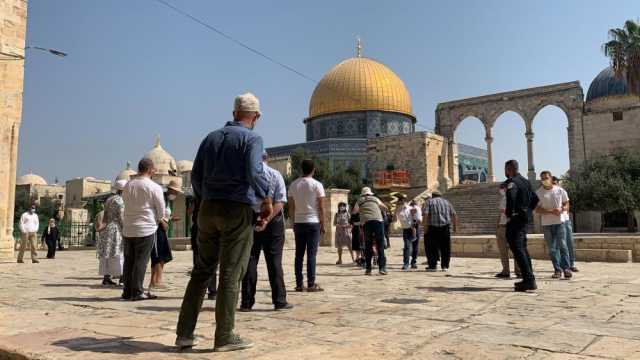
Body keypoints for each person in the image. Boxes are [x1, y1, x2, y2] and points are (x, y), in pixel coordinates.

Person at [176, 93, 272, 352]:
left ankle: (184, 333)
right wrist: (266, 197)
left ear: (233, 113)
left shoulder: (211, 137)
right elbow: (254, 173)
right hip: (236, 208)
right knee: (231, 272)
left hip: (207, 208)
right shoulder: (252, 138)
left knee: (201, 271)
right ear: (256, 116)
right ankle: (225, 335)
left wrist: (204, 200)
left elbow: (196, 177)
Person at [240, 151, 292, 312]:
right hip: (273, 221)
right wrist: (266, 220)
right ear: (266, 159)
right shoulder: (275, 175)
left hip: (250, 220)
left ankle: (247, 302)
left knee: (249, 261)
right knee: (274, 261)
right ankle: (279, 301)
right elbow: (280, 202)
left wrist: (256, 219)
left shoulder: (245, 175)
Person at [122, 158, 165, 301]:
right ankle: (138, 291)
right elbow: (161, 209)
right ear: (150, 169)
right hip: (146, 228)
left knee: (129, 261)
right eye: (154, 169)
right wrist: (159, 220)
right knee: (141, 260)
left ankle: (127, 291)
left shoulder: (128, 185)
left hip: (128, 228)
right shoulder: (154, 187)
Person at [288, 159, 326, 292]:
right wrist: (323, 223)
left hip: (299, 222)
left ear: (301, 169)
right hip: (313, 221)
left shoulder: (293, 185)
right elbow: (321, 207)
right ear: (313, 169)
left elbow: (291, 207)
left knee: (298, 255)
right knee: (311, 254)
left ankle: (299, 284)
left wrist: (293, 222)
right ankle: (311, 283)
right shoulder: (317, 185)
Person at [504, 160, 538, 292]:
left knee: (517, 249)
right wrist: (528, 212)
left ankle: (529, 280)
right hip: (524, 219)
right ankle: (529, 278)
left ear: (509, 169)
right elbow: (535, 199)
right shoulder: (526, 182)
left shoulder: (513, 183)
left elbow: (511, 198)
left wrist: (510, 214)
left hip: (516, 220)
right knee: (523, 248)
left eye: (506, 169)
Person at [535, 171, 572, 279]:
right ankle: (557, 270)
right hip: (547, 224)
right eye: (542, 179)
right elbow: (537, 209)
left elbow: (567, 204)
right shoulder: (538, 193)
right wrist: (551, 211)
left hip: (559, 222)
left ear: (551, 178)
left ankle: (567, 269)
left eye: (546, 178)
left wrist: (562, 209)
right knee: (552, 248)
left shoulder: (560, 190)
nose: (544, 180)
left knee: (563, 245)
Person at [148, 180, 182, 293]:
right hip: (156, 229)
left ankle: (158, 280)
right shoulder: (160, 198)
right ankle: (154, 282)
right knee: (157, 256)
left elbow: (164, 214)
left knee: (164, 256)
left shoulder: (167, 201)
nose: (176, 195)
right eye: (175, 192)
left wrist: (171, 219)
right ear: (170, 190)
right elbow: (154, 212)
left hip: (162, 229)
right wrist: (162, 222)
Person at [97, 180, 127, 286]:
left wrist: (102, 227)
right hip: (116, 229)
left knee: (107, 254)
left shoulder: (109, 199)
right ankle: (122, 278)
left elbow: (105, 216)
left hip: (107, 228)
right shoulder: (121, 201)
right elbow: (121, 217)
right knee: (119, 253)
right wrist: (125, 229)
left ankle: (106, 278)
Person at [353, 187, 388, 275]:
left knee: (368, 246)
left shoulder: (359, 200)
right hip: (378, 222)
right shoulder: (375, 199)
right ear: (370, 193)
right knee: (380, 245)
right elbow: (385, 208)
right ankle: (382, 268)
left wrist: (361, 212)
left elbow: (354, 211)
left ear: (362, 194)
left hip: (366, 223)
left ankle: (368, 269)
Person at [189, 197, 216, 300]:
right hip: (210, 229)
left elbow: (189, 211)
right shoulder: (212, 196)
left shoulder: (197, 197)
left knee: (198, 261)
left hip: (198, 227)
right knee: (211, 260)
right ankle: (212, 291)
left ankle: (197, 290)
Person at [423, 191, 457, 272]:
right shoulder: (447, 202)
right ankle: (445, 266)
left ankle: (432, 266)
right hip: (445, 228)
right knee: (445, 247)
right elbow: (454, 215)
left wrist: (425, 227)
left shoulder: (429, 202)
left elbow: (426, 214)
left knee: (431, 247)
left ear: (432, 196)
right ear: (441, 196)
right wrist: (455, 227)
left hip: (432, 228)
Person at [495, 183, 520, 278]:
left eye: (502, 188)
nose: (501, 190)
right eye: (500, 188)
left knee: (515, 250)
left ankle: (518, 270)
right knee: (503, 250)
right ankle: (505, 270)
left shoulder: (514, 198)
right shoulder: (503, 199)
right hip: (502, 226)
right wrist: (497, 226)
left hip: (510, 226)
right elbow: (500, 214)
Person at [553, 176, 578, 272]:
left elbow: (567, 206)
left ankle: (571, 264)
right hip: (556, 222)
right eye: (553, 183)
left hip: (565, 220)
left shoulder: (562, 191)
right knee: (558, 245)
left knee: (569, 242)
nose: (554, 185)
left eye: (556, 183)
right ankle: (560, 265)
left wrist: (562, 210)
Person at [397, 197, 422, 271]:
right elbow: (395, 219)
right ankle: (406, 264)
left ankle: (413, 262)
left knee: (415, 246)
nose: (400, 203)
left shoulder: (412, 208)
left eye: (401, 202)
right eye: (399, 202)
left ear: (405, 202)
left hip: (414, 228)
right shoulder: (399, 210)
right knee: (407, 247)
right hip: (406, 230)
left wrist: (414, 224)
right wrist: (396, 209)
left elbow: (419, 220)